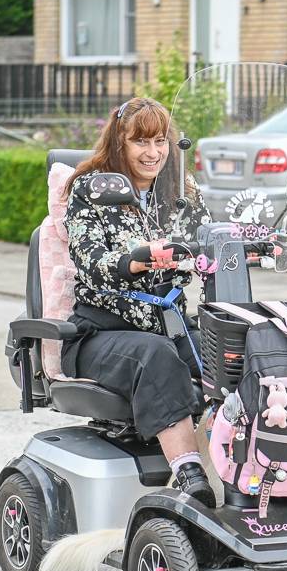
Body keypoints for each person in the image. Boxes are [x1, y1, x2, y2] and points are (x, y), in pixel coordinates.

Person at [60, 96, 216, 506]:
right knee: (158, 355)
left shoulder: (180, 192)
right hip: (101, 333)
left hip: (171, 324)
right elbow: (91, 262)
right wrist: (135, 259)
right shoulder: (91, 188)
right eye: (140, 142)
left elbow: (208, 239)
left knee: (233, 353)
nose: (153, 153)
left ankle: (248, 467)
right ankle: (189, 473)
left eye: (160, 141)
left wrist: (248, 243)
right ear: (119, 143)